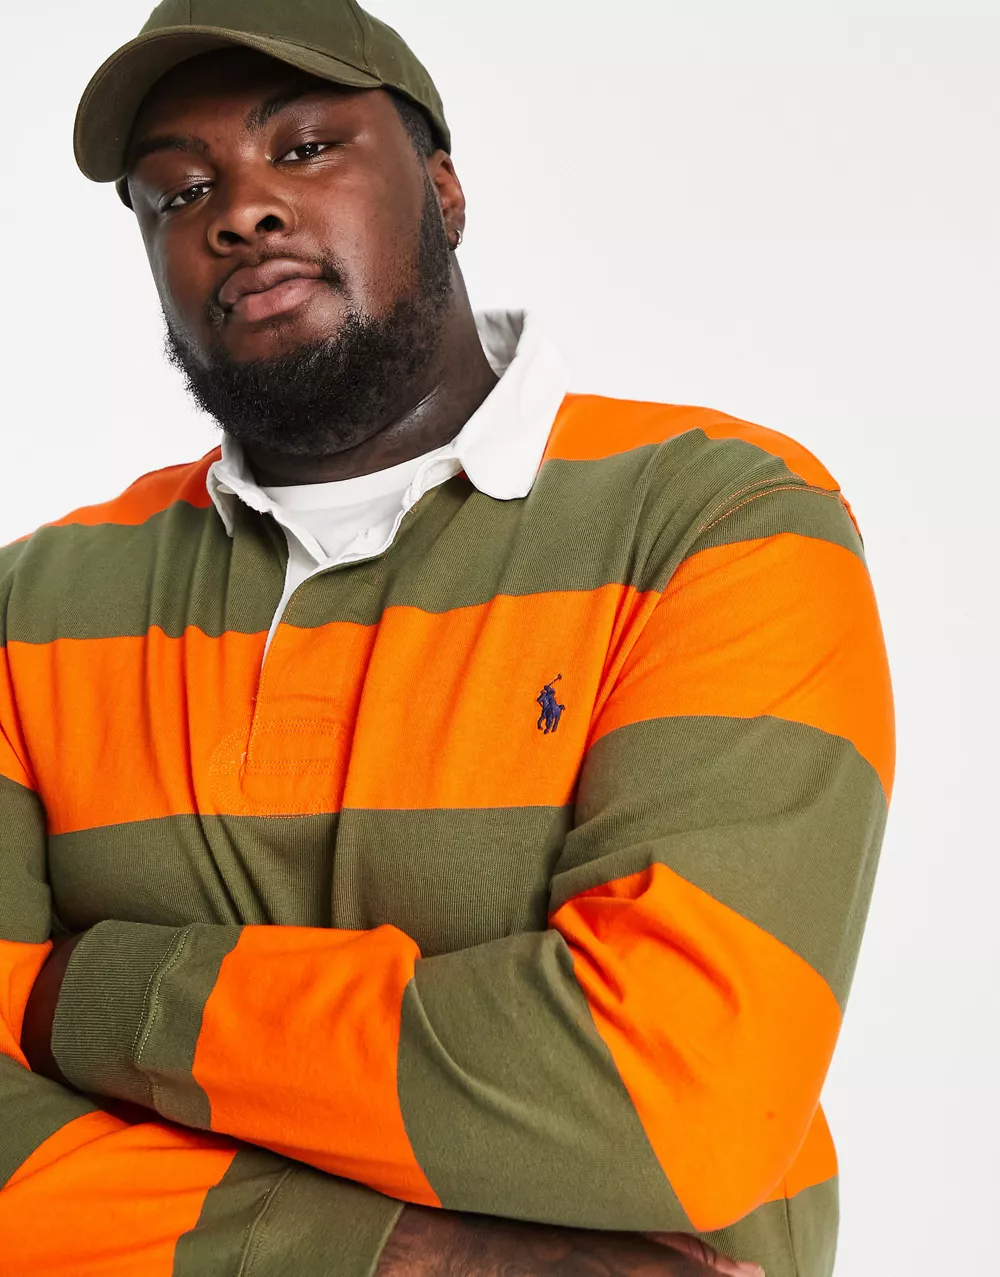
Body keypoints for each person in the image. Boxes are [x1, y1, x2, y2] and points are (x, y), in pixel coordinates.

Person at [0, 2, 894, 1274]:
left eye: (303, 148)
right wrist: (421, 1255)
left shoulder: (718, 520)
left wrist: (77, 993)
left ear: (443, 187)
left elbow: (675, 1099)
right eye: (177, 191)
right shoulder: (31, 605)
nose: (239, 211)